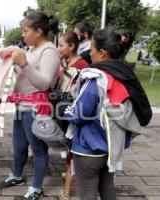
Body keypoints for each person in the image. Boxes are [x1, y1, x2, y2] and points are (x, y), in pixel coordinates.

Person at [64, 27, 151, 200]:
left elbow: (79, 114)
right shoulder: (124, 76)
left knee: (88, 194)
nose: (89, 53)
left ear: (102, 53)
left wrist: (66, 109)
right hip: (112, 147)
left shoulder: (96, 78)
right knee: (108, 190)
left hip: (89, 149)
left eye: (92, 50)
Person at [0, 11, 60, 200]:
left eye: (26, 31)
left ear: (39, 31)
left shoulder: (49, 51)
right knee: (18, 146)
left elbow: (44, 83)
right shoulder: (32, 50)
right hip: (21, 107)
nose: (23, 34)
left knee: (39, 150)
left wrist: (24, 64)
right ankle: (17, 175)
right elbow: (24, 76)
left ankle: (37, 187)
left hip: (35, 110)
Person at [56, 31, 88, 200]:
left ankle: (67, 191)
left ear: (72, 46)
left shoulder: (82, 65)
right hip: (63, 109)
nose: (59, 48)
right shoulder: (67, 61)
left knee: (71, 145)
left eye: (61, 45)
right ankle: (69, 171)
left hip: (73, 112)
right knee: (66, 144)